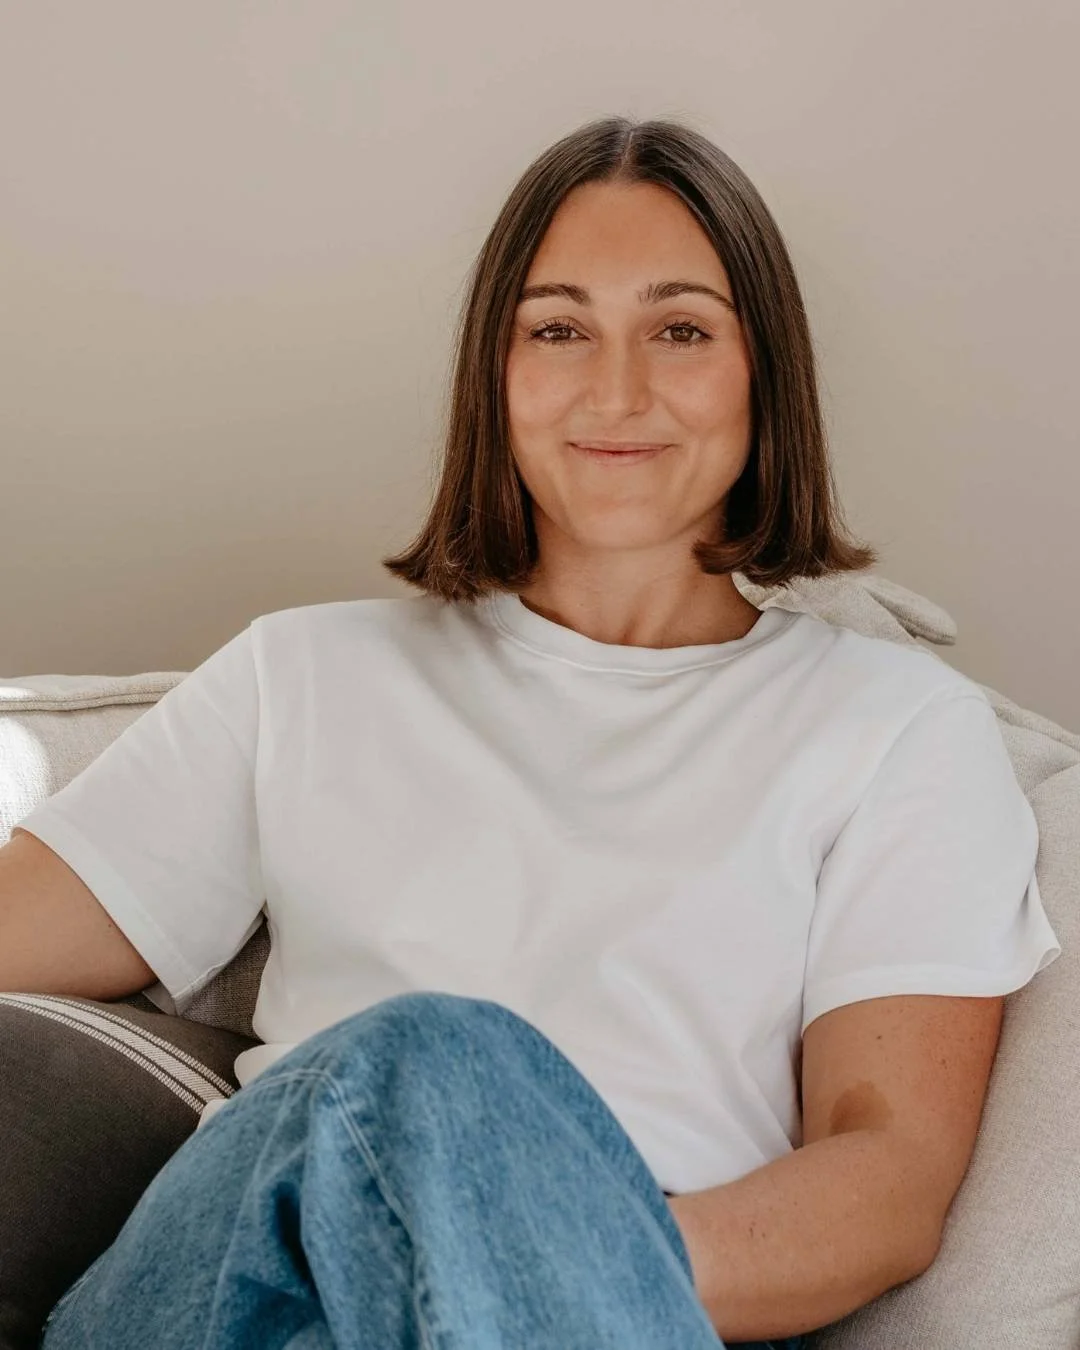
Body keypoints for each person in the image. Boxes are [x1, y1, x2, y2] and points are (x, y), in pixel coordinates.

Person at [7, 114, 1059, 1348]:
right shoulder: (302, 677)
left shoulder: (897, 733)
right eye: (558, 330)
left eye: (680, 330)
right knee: (425, 1058)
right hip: (246, 1302)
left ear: (762, 371)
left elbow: (884, 1187)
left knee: (448, 1075)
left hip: (621, 1317)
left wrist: (531, 1253)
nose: (617, 391)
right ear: (492, 379)